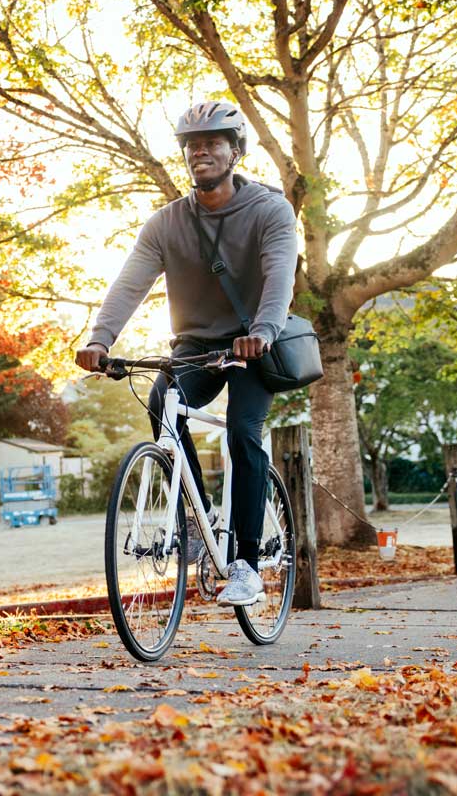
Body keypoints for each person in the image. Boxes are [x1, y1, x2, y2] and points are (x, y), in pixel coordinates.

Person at [75, 100, 298, 606]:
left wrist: (263, 330)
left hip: (252, 341)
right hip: (196, 344)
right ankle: (198, 522)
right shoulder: (166, 223)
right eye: (192, 146)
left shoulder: (269, 210)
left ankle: (244, 563)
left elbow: (280, 275)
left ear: (235, 152)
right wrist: (99, 339)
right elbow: (130, 283)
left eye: (212, 144)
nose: (200, 152)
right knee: (161, 403)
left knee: (243, 430)